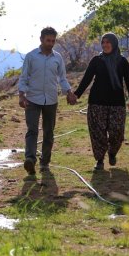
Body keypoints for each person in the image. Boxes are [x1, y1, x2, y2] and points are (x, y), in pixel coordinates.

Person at [73, 32, 129, 170]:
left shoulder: (122, 61)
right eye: (103, 42)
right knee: (98, 133)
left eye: (108, 42)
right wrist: (76, 95)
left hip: (117, 103)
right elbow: (87, 79)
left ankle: (112, 153)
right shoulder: (96, 60)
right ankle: (100, 160)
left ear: (114, 44)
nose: (105, 45)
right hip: (97, 102)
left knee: (117, 132)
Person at [18, 26, 77, 175]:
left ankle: (45, 162)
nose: (50, 43)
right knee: (32, 130)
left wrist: (69, 92)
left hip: (51, 99)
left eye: (53, 41)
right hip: (32, 99)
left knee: (48, 132)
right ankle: (30, 159)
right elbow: (24, 77)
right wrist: (21, 95)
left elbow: (62, 78)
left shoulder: (57, 58)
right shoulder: (31, 56)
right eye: (48, 40)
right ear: (41, 40)